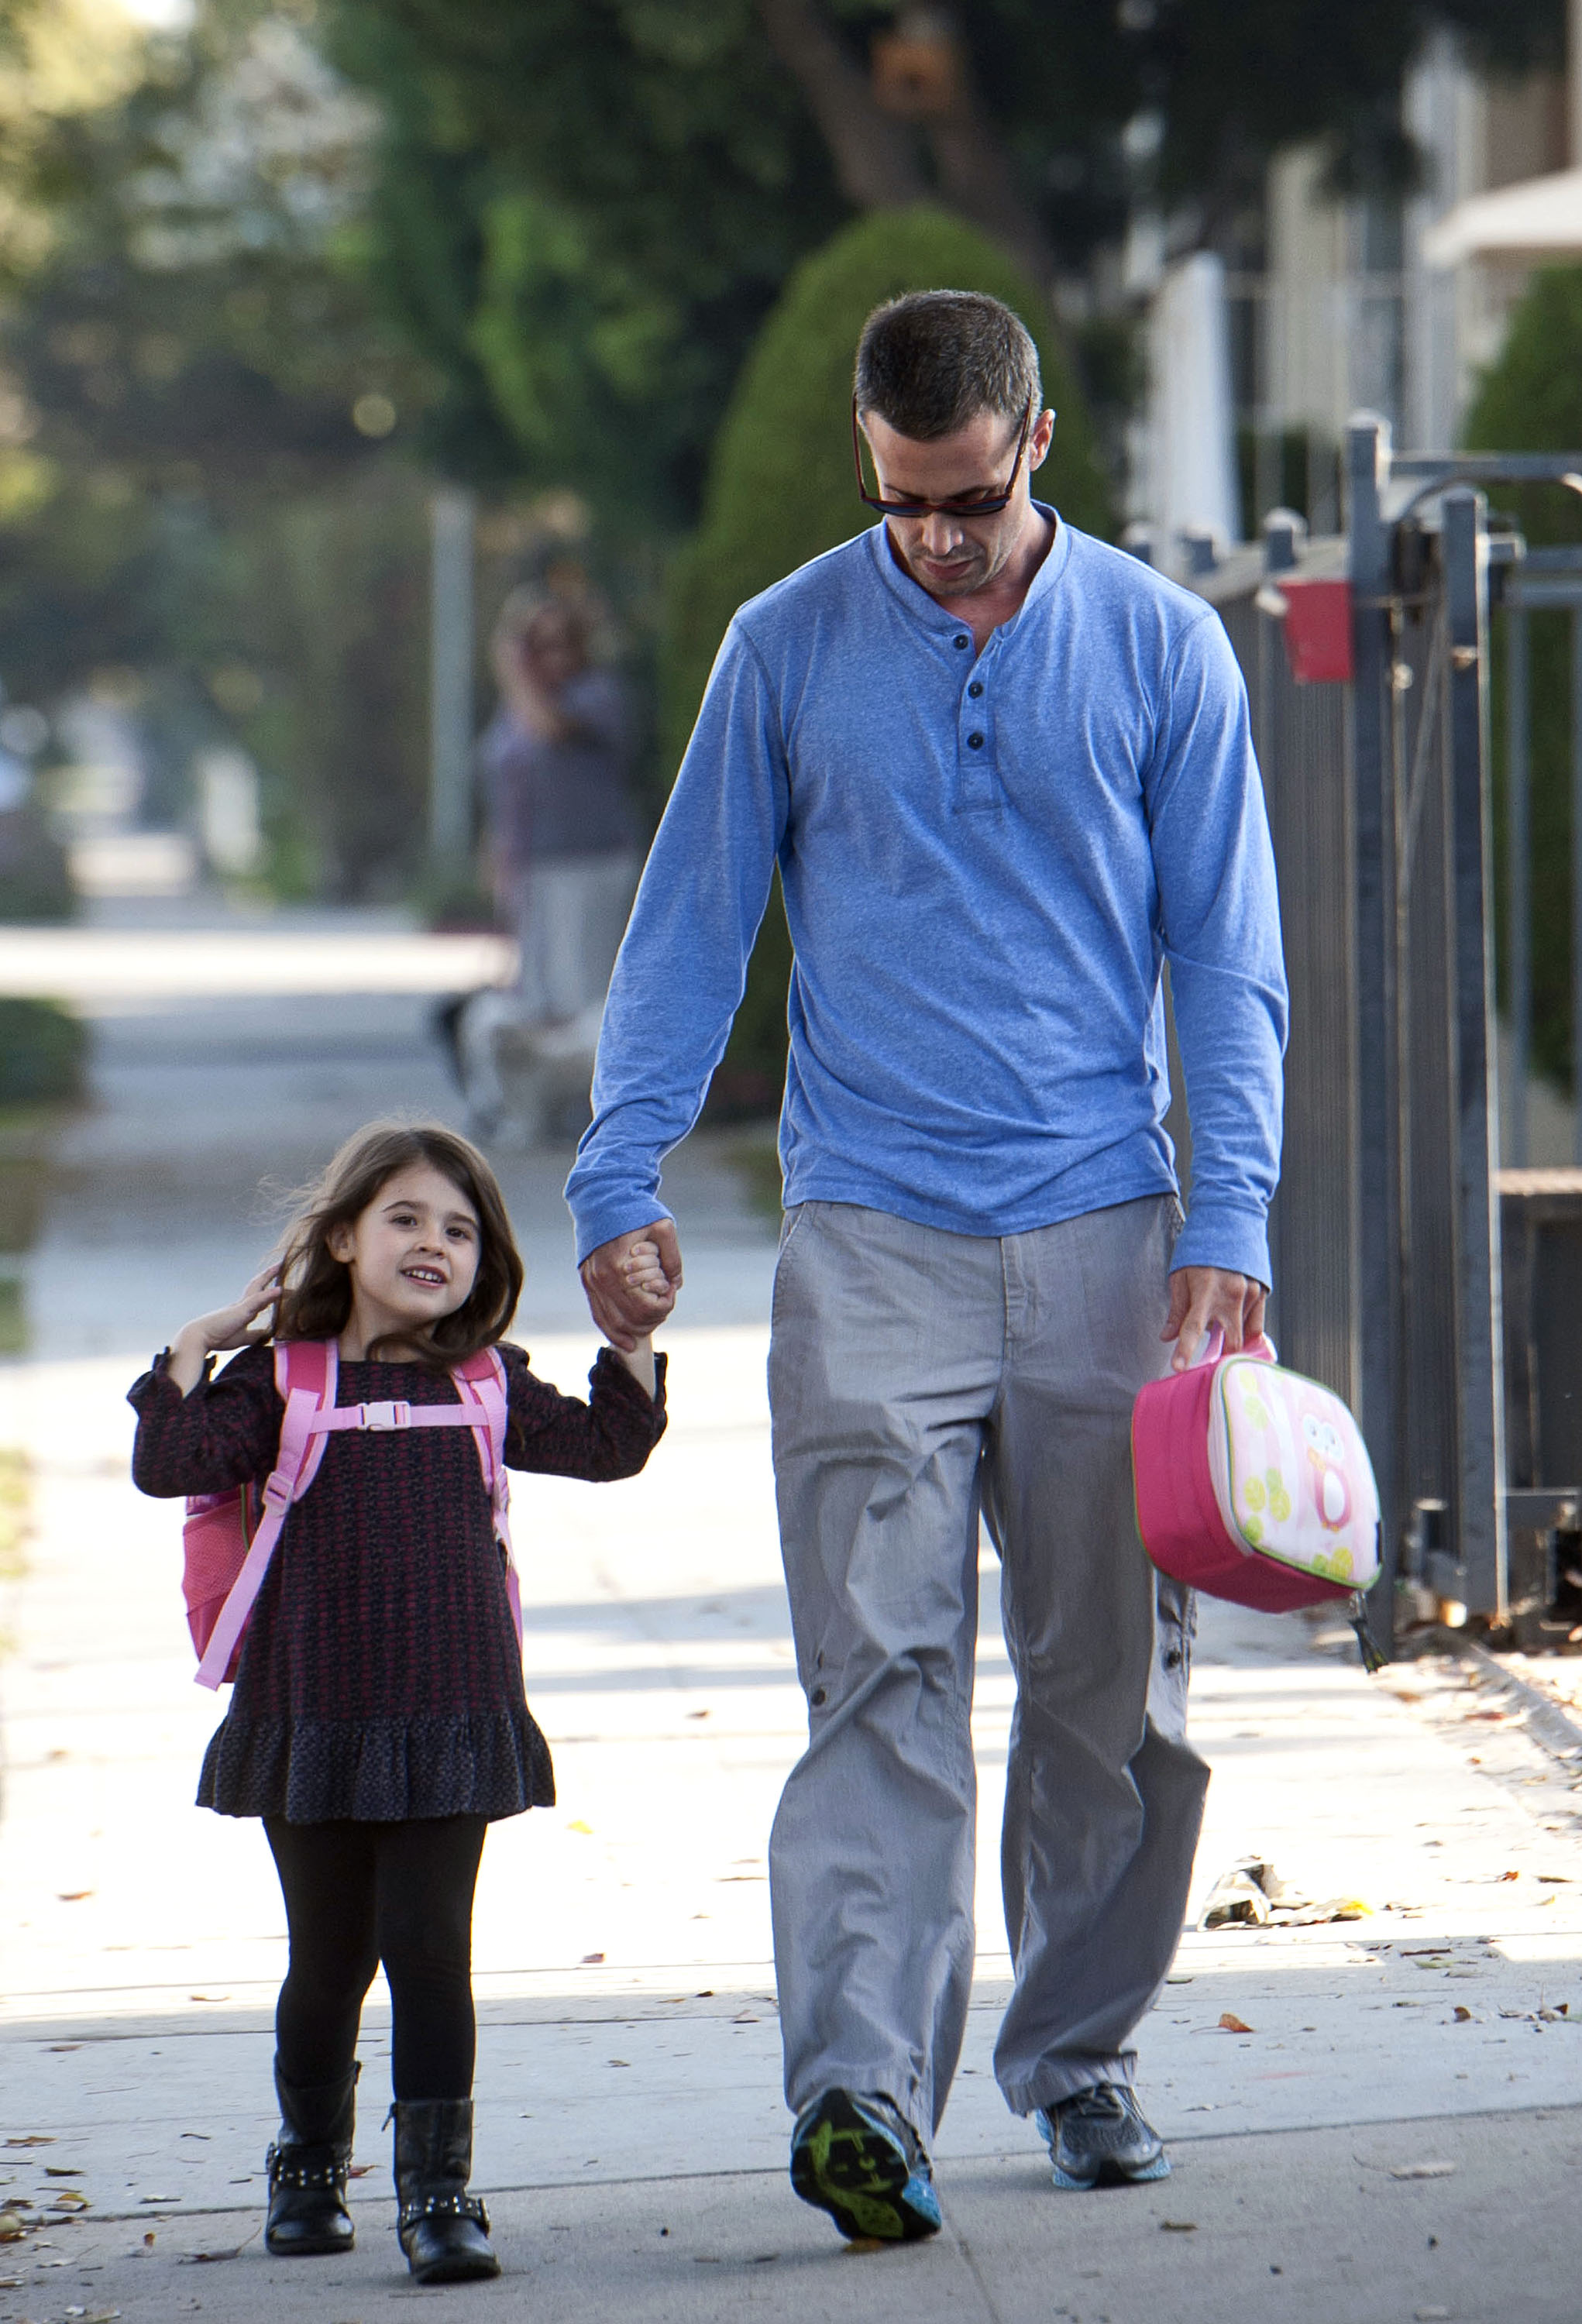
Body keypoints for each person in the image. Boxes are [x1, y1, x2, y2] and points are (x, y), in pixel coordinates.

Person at [567, 290, 1286, 2243]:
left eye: (963, 499)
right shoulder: (785, 643)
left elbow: (1223, 953)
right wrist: (614, 1167)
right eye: (899, 504)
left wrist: (1227, 1211)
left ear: (1035, 440)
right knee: (872, 1671)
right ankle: (860, 2094)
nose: (935, 540)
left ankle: (1075, 2054)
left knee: (1099, 1695)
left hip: (1104, 1234)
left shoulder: (1156, 645)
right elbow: (690, 919)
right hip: (869, 1230)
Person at [128, 1122, 670, 2283]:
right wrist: (203, 1338)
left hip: (452, 1707)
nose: (436, 1243)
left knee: (431, 1951)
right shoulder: (282, 1381)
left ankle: (437, 2193)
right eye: (408, 1219)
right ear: (342, 1238)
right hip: (312, 1712)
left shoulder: (483, 1382)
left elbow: (610, 1447)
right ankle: (309, 2167)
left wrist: (629, 1342)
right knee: (327, 1960)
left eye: (461, 1229)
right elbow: (168, 1461)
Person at [456, 592, 641, 1135]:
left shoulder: (594, 696)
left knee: (584, 997)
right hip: (533, 868)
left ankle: (602, 1111)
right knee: (533, 998)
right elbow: (502, 779)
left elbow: (548, 730)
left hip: (591, 863)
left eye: (560, 643)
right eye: (536, 645)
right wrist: (495, 858)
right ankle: (529, 1107)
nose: (548, 657)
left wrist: (513, 673)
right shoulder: (516, 709)